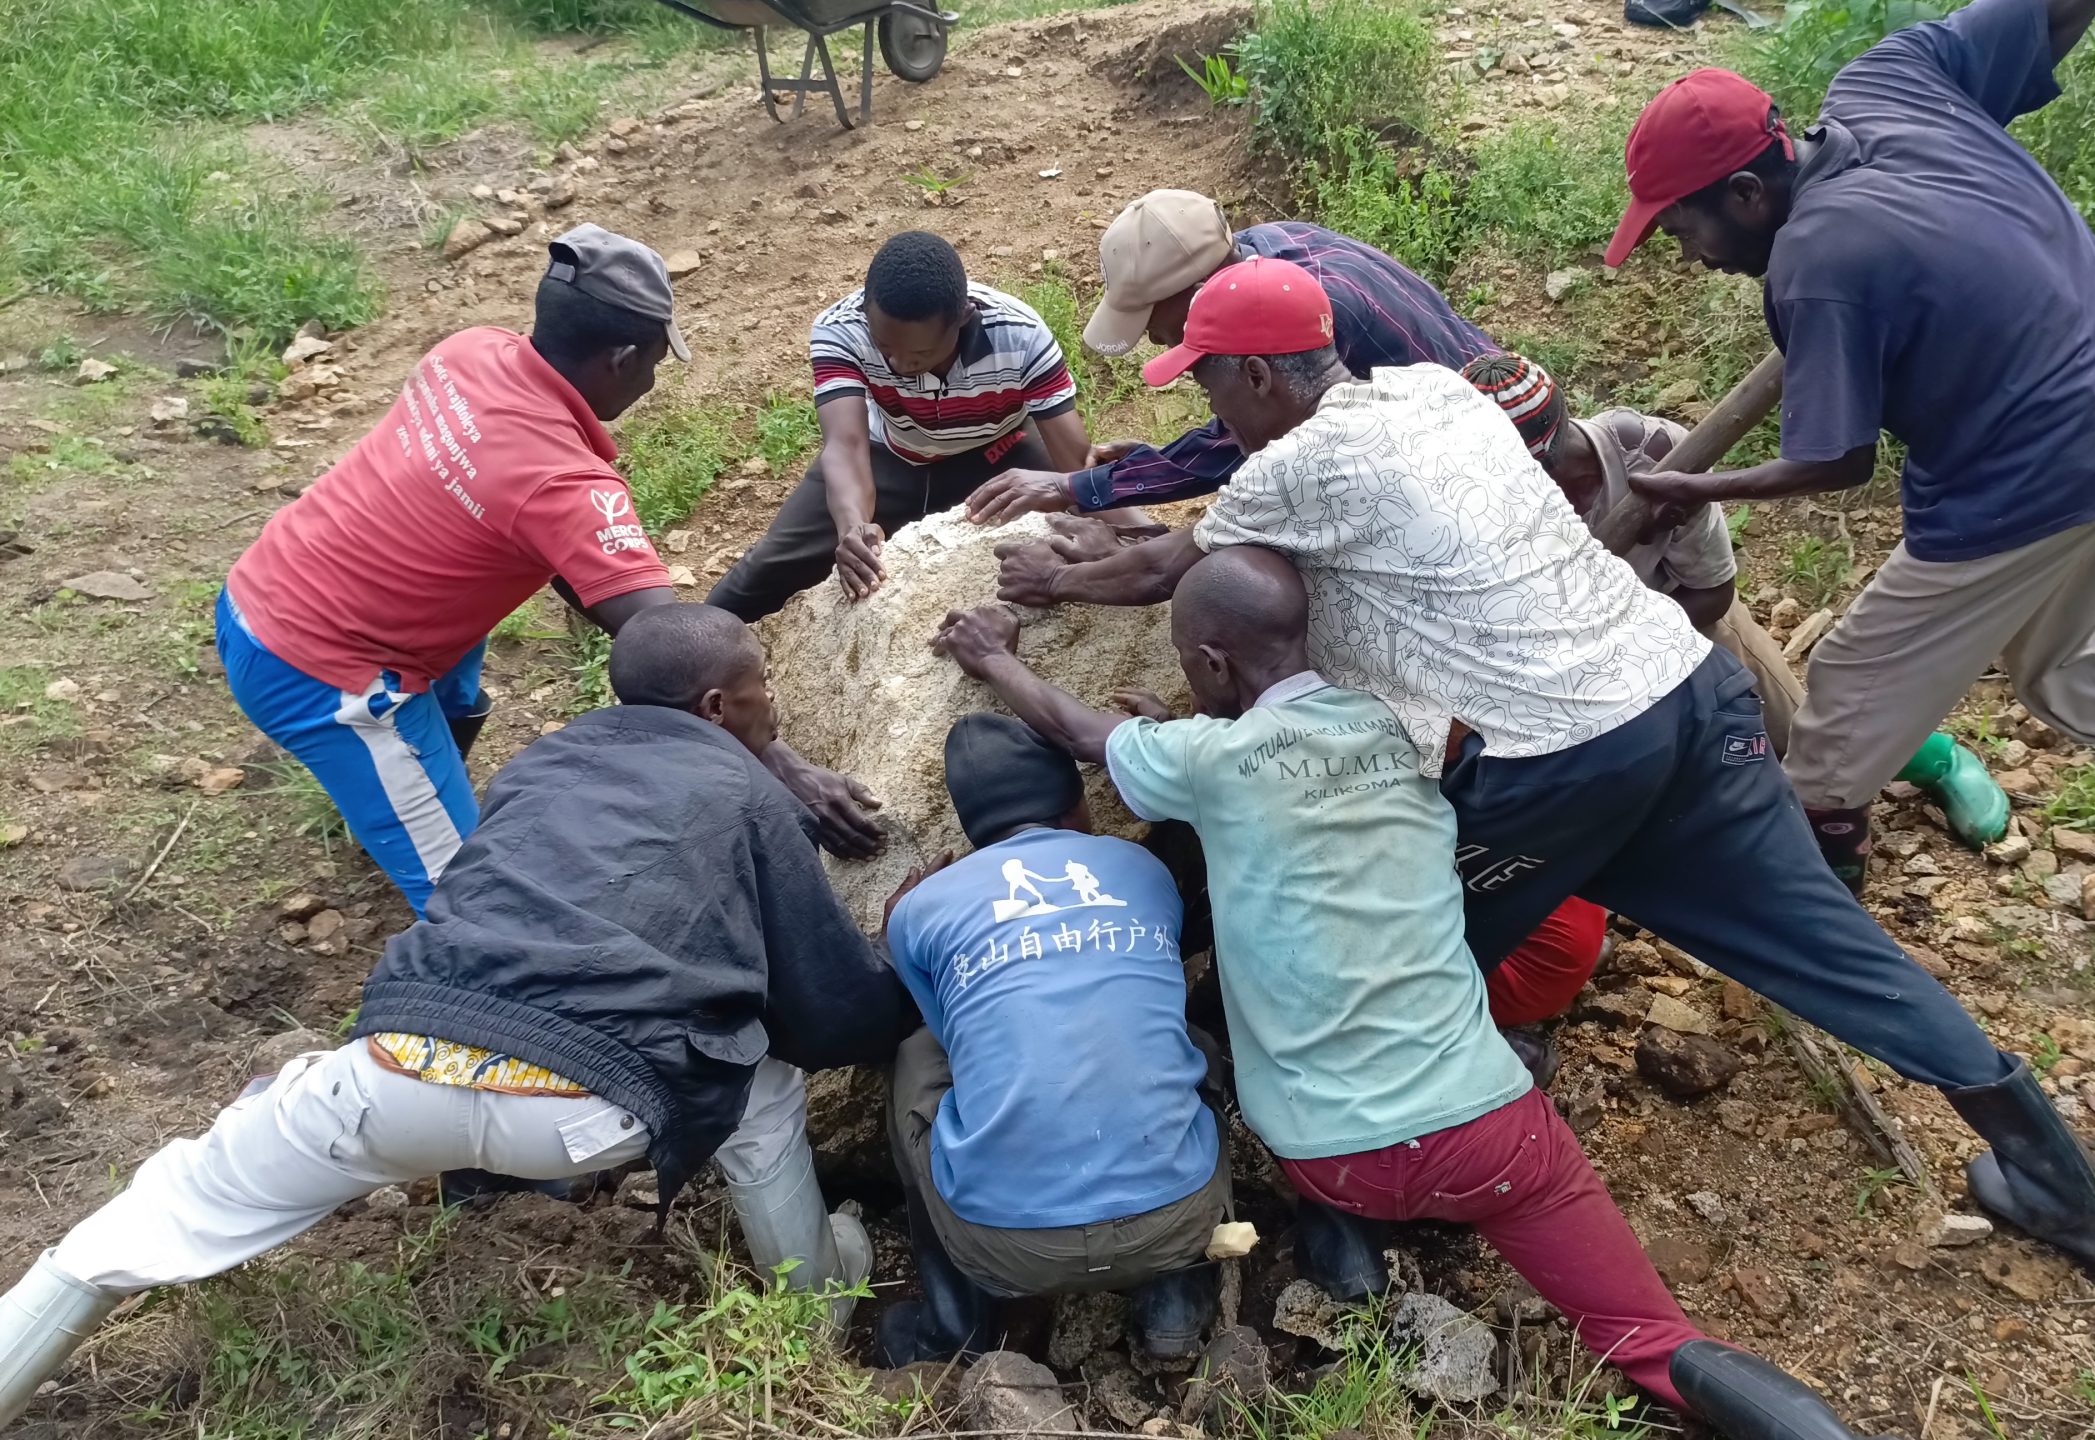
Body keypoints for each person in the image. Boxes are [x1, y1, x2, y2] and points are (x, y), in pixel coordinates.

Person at [992, 259, 2095, 1284]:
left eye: (1211, 387)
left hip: (1557, 762)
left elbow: (1165, 577)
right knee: (1829, 951)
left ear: (1257, 377)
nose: (1214, 410)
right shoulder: (1437, 393)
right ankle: (2062, 1185)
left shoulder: (1294, 465)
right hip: (1685, 698)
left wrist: (1048, 587)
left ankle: (1336, 1199)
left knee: (1375, 939)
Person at [931, 551, 1886, 1440]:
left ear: (1212, 664)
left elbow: (1078, 733)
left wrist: (993, 655)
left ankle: (1335, 1234)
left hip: (1328, 1156)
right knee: (1657, 1342)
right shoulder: (1404, 723)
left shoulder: (1204, 762)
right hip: (1493, 1137)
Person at [0, 606, 907, 1425]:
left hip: (388, 1074)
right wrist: (908, 976)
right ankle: (813, 1305)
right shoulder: (751, 796)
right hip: (589, 1116)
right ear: (716, 707)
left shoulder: (544, 761)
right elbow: (826, 1007)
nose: (773, 705)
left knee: (140, 1222)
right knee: (765, 1086)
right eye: (765, 688)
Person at [1599, 0, 2095, 906]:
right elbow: (2044, 15)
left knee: (1848, 691)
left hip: (2030, 471)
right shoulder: (1889, 85)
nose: (1689, 253)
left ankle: (1813, 912)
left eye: (1683, 228)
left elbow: (1837, 463)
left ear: (1745, 195)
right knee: (2057, 647)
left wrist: (1694, 484)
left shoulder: (1819, 264)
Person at [217, 225, 879, 915]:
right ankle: (400, 810)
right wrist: (781, 762)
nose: (655, 380)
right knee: (479, 912)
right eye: (656, 361)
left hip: (271, 580)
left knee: (460, 698)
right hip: (327, 675)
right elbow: (674, 648)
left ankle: (391, 803)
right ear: (622, 359)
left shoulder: (470, 351)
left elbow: (579, 574)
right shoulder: (561, 484)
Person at [1460, 351, 2012, 876]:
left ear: (1554, 447)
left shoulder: (1656, 455)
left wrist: (1623, 643)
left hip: (1682, 614)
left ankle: (1932, 758)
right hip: (1569, 656)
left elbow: (1713, 594)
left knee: (1808, 737)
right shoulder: (1473, 497)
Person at [872, 714, 1228, 1366]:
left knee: (918, 1056)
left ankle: (951, 1328)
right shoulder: (1141, 869)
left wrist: (896, 931)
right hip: (1177, 1220)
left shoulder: (920, 911)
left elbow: (957, 1039)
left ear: (972, 830)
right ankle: (1177, 1299)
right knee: (1191, 1045)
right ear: (1079, 804)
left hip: (1007, 1249)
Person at [963, 189, 1497, 523]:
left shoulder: (1317, 314)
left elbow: (1255, 452)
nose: (1153, 339)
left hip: (1475, 464)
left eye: (1153, 319)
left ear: (1200, 290)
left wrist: (1075, 488)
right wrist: (1158, 458)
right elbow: (1252, 425)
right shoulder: (1264, 248)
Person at [707, 231, 1093, 619]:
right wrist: (854, 529)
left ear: (962, 317)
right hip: (889, 457)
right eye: (885, 347)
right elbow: (846, 445)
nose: (898, 365)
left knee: (1089, 526)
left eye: (920, 352)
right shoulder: (841, 328)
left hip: (999, 453)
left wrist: (1124, 524)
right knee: (762, 574)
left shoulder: (1019, 334)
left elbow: (1075, 463)